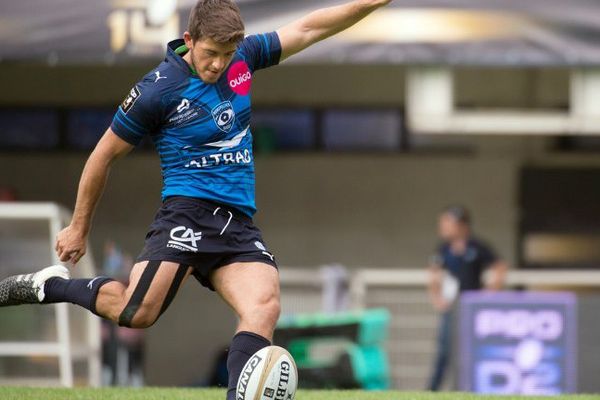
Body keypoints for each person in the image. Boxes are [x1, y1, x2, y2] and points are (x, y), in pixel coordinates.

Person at [0, 0, 392, 398]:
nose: (220, 64)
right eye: (211, 54)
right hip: (186, 215)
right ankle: (51, 286)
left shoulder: (246, 56)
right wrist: (79, 226)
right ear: (189, 40)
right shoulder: (156, 89)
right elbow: (103, 156)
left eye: (227, 55)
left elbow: (310, 28)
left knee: (264, 304)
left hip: (237, 222)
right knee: (137, 312)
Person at [426, 205, 507, 391]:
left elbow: (499, 266)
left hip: (473, 309)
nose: (443, 228)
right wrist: (436, 297)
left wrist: (490, 292)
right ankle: (432, 390)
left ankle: (471, 388)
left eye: (447, 223)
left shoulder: (477, 246)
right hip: (451, 308)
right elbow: (433, 273)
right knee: (445, 350)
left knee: (473, 350)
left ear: (461, 225)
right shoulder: (443, 248)